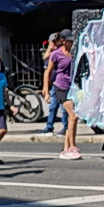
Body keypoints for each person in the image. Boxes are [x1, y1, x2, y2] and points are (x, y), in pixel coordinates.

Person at [42, 31, 80, 159]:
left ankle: (65, 150)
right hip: (60, 87)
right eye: (69, 41)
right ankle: (73, 146)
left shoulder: (75, 53)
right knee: (73, 116)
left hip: (73, 88)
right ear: (63, 41)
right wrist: (46, 91)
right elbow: (48, 72)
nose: (71, 43)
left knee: (71, 119)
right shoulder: (56, 54)